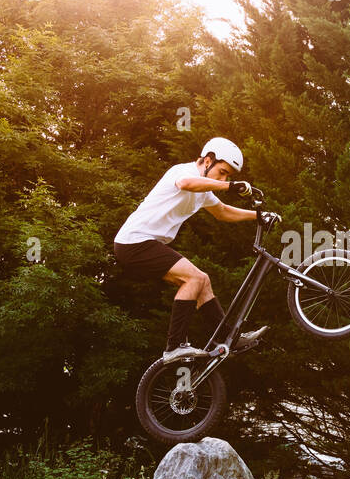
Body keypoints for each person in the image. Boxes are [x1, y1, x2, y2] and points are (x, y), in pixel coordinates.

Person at [112, 137, 277, 362]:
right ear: (207, 160)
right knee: (194, 279)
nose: (224, 178)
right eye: (222, 172)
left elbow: (222, 212)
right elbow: (187, 184)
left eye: (228, 176)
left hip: (144, 244)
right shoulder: (182, 172)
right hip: (135, 241)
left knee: (202, 281)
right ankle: (174, 347)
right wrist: (229, 186)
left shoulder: (204, 192)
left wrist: (258, 215)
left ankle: (228, 337)